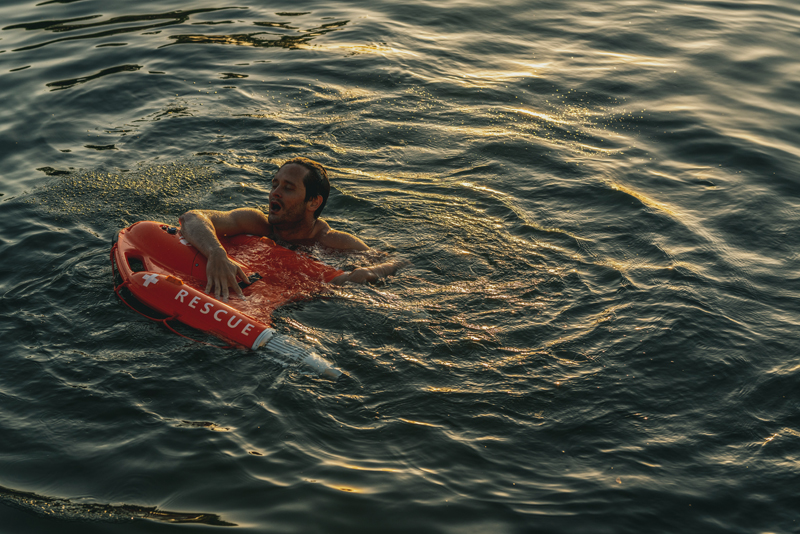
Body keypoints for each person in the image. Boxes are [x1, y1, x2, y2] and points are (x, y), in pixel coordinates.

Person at [179, 157, 409, 300]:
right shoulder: (257, 223)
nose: (274, 193)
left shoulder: (331, 241)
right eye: (274, 184)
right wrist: (217, 253)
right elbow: (192, 218)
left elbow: (399, 263)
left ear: (313, 203)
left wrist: (368, 273)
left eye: (288, 188)